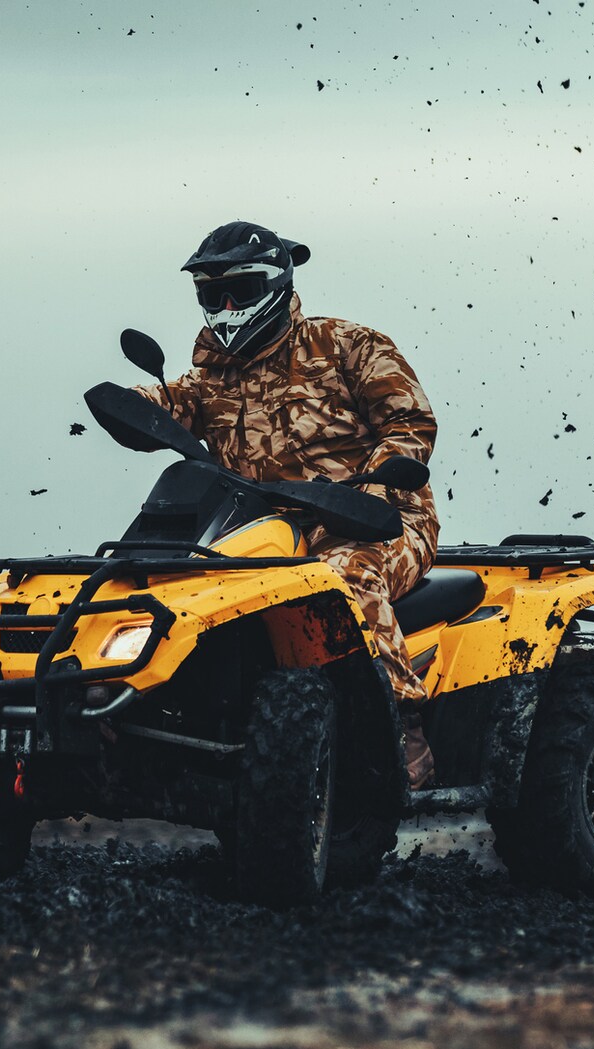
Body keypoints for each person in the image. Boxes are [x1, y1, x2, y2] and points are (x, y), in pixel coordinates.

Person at [130, 221, 439, 787]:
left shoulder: (349, 345)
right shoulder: (211, 377)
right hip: (263, 533)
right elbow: (171, 402)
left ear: (275, 284)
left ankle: (400, 727)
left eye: (238, 292)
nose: (224, 307)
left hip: (371, 523)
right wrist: (131, 404)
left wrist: (374, 482)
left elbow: (410, 421)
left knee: (346, 583)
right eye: (210, 295)